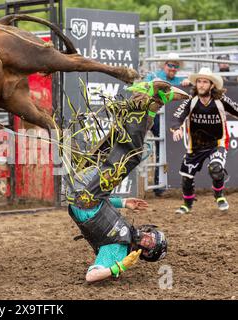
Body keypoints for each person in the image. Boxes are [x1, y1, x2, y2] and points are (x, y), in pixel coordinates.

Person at [65, 80, 189, 282]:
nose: (146, 238)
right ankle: (148, 104)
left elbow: (91, 276)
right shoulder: (126, 232)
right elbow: (101, 212)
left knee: (130, 157)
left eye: (149, 243)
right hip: (88, 194)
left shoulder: (119, 251)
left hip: (85, 197)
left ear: (144, 254)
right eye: (150, 235)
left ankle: (147, 102)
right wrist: (123, 202)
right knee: (116, 147)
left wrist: (121, 266)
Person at [171, 67, 238, 214]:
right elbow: (178, 116)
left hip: (217, 143)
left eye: (205, 82)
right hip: (195, 146)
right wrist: (177, 128)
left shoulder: (221, 101)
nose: (201, 85)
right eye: (199, 82)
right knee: (186, 177)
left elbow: (236, 110)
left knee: (216, 168)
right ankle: (187, 204)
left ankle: (219, 195)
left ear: (212, 85)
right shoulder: (192, 101)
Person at [144, 53, 191, 197]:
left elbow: (191, 86)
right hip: (151, 115)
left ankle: (159, 186)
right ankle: (150, 183)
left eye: (175, 66)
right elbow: (145, 86)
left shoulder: (179, 80)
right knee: (153, 143)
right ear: (164, 65)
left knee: (162, 146)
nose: (173, 68)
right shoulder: (153, 76)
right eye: (170, 65)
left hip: (164, 118)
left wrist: (188, 82)